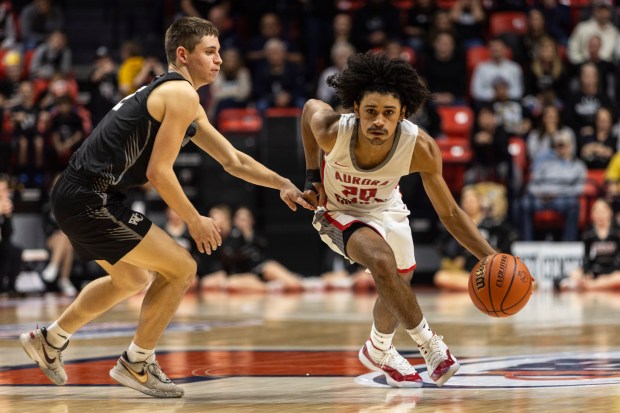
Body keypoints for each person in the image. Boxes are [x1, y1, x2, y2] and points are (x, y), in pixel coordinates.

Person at [19, 17, 313, 399]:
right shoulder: (180, 95)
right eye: (210, 52)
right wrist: (194, 220)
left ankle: (50, 340)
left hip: (88, 195)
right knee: (182, 268)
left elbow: (233, 160)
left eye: (220, 52)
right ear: (182, 54)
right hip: (90, 196)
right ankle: (137, 363)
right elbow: (160, 171)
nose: (220, 60)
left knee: (132, 280)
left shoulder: (180, 96)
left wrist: (282, 183)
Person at [300, 51, 498, 388]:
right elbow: (308, 110)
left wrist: (490, 257)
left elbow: (449, 212)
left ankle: (378, 347)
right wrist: (310, 176)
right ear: (356, 110)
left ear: (402, 114)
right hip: (337, 210)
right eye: (371, 112)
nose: (379, 121)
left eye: (388, 113)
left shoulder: (420, 147)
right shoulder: (333, 131)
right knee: (382, 261)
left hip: (388, 207)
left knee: (399, 280)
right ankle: (429, 344)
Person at [520, 130, 587, 241]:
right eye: (556, 146)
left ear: (570, 146)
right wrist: (541, 193)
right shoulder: (545, 164)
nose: (559, 149)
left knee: (573, 205)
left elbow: (579, 188)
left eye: (562, 145)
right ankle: (526, 243)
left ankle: (569, 244)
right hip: (541, 198)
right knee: (524, 203)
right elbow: (532, 185)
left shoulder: (578, 166)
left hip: (563, 199)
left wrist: (558, 193)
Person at [558, 198, 620, 291]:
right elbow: (586, 257)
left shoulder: (617, 232)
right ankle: (594, 284)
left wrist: (608, 274)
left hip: (613, 271)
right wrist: (587, 272)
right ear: (592, 214)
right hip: (596, 269)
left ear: (610, 213)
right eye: (597, 212)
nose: (600, 215)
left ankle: (591, 286)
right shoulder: (588, 233)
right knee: (574, 274)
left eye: (603, 211)